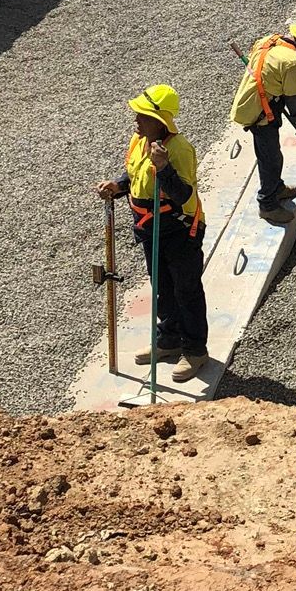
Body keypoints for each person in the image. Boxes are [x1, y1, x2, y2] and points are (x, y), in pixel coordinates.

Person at [96, 83, 209, 383]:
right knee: (162, 286)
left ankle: (195, 350)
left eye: (143, 115)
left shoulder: (179, 149)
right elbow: (134, 173)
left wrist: (164, 168)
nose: (136, 119)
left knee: (186, 290)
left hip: (179, 231)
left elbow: (184, 195)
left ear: (160, 121)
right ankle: (169, 338)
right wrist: (118, 186)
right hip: (150, 230)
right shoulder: (139, 140)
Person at [230, 16, 296, 217]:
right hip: (260, 111)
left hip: (257, 100)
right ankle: (267, 204)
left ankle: (277, 188)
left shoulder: (270, 40)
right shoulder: (292, 63)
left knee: (271, 155)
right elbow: (294, 98)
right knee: (270, 159)